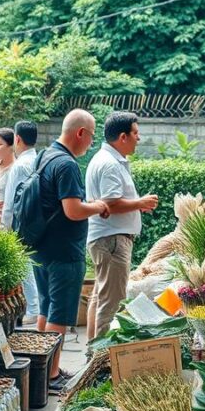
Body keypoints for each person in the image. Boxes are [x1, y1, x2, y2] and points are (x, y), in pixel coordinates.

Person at [28, 110, 109, 388]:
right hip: (63, 251)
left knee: (45, 310)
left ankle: (40, 370)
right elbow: (73, 210)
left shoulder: (44, 156)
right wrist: (97, 206)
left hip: (41, 247)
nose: (91, 142)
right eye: (92, 135)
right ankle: (51, 375)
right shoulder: (67, 165)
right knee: (60, 314)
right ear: (80, 133)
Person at [85, 112, 158, 340]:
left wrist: (136, 206)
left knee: (100, 297)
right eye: (135, 133)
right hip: (113, 240)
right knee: (111, 302)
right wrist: (140, 202)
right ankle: (100, 359)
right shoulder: (109, 164)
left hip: (108, 239)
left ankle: (92, 351)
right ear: (123, 136)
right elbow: (109, 203)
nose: (139, 138)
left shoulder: (109, 160)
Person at [1, 120, 40, 326]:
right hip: (38, 224)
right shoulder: (39, 160)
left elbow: (10, 204)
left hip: (21, 224)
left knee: (25, 267)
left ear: (17, 139)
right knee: (34, 265)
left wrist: (3, 230)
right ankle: (37, 308)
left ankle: (33, 309)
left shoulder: (19, 166)